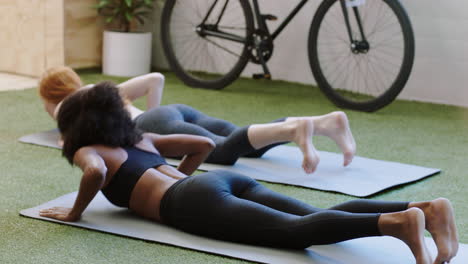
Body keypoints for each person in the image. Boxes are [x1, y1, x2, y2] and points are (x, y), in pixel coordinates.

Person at [39, 83, 458, 264]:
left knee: (297, 232)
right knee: (309, 214)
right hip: (209, 185)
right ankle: (423, 208)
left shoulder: (89, 148)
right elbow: (202, 146)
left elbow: (93, 172)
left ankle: (399, 223)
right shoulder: (141, 138)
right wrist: (186, 180)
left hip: (191, 200)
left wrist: (76, 212)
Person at [38, 66, 356, 173]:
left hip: (157, 122)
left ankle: (295, 127)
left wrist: (146, 127)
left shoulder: (69, 108)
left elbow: (71, 143)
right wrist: (155, 112)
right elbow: (156, 79)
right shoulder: (100, 90)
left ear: (50, 97)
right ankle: (326, 123)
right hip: (175, 111)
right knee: (247, 142)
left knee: (223, 151)